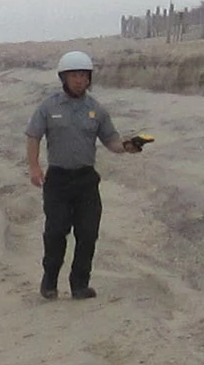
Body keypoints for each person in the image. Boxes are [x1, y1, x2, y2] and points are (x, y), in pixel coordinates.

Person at [25, 51, 142, 300]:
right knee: (56, 232)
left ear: (89, 79)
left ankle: (80, 284)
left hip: (86, 181)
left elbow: (111, 141)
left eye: (83, 76)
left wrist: (128, 147)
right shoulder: (48, 107)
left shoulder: (97, 110)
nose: (79, 80)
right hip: (57, 180)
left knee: (88, 233)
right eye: (73, 76)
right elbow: (33, 135)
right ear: (64, 78)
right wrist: (34, 167)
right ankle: (49, 281)